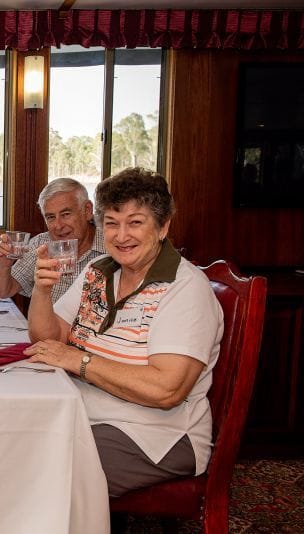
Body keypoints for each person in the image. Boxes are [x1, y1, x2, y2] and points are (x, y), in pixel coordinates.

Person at [24, 167, 224, 497]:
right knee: (2, 444)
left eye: (135, 222)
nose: (121, 235)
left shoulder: (185, 289)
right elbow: (48, 340)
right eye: (112, 223)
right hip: (85, 413)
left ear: (163, 227)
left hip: (155, 434)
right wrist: (43, 290)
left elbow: (166, 390)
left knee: (35, 475)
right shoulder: (98, 272)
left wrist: (79, 360)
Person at [0, 177, 105, 303]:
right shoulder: (41, 244)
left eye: (66, 214)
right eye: (51, 217)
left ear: (87, 210)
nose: (58, 225)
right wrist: (4, 265)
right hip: (48, 322)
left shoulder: (111, 246)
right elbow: (1, 292)